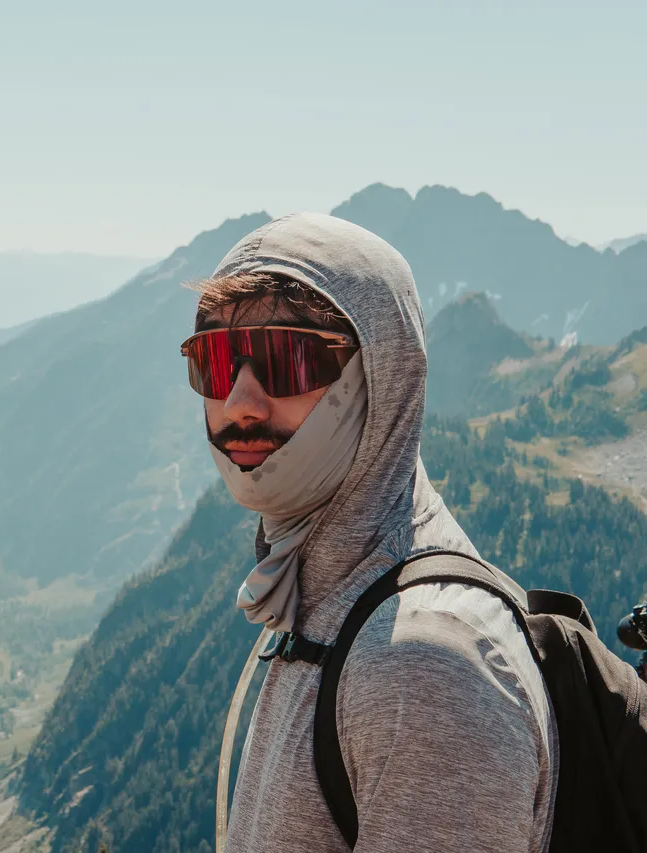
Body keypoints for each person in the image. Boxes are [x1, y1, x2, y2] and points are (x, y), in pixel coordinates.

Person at [182, 214, 557, 852]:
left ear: (381, 374)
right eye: (214, 363)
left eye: (285, 359)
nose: (239, 403)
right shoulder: (327, 589)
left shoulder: (426, 668)